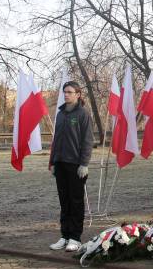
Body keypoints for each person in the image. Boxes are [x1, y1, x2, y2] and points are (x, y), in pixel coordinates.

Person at [48, 81, 94, 252]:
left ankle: (75, 238)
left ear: (78, 94)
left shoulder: (82, 114)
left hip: (75, 165)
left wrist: (84, 164)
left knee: (75, 202)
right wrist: (53, 161)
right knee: (64, 202)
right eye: (64, 92)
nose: (66, 94)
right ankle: (65, 236)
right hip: (60, 164)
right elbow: (56, 140)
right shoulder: (60, 114)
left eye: (69, 92)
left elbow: (88, 141)